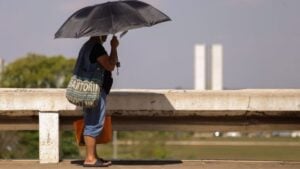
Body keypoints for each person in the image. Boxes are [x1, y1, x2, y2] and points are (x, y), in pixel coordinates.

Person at [79, 35, 119, 167]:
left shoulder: (87, 46)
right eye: (104, 32)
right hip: (95, 90)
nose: (106, 35)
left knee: (91, 121)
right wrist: (114, 47)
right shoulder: (96, 48)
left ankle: (93, 156)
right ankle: (90, 158)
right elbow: (110, 66)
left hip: (88, 90)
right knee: (94, 123)